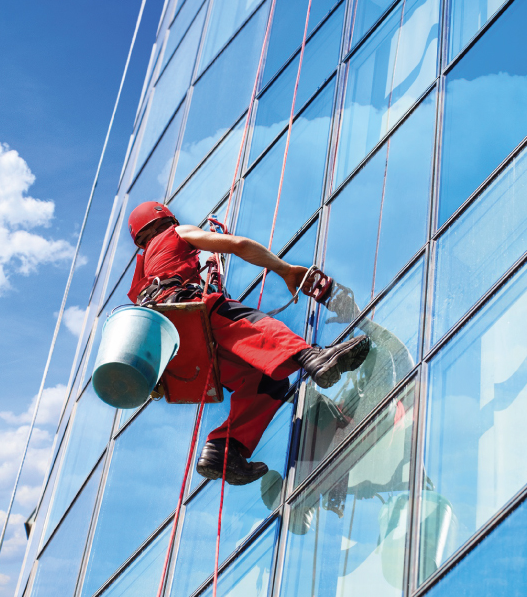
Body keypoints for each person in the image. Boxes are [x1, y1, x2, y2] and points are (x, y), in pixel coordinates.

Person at [126, 201, 370, 486]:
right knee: (248, 323)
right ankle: (314, 358)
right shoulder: (177, 233)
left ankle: (224, 450)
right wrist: (284, 270)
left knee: (267, 383)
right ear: (165, 219)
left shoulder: (143, 270)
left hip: (175, 352)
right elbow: (239, 245)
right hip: (184, 312)